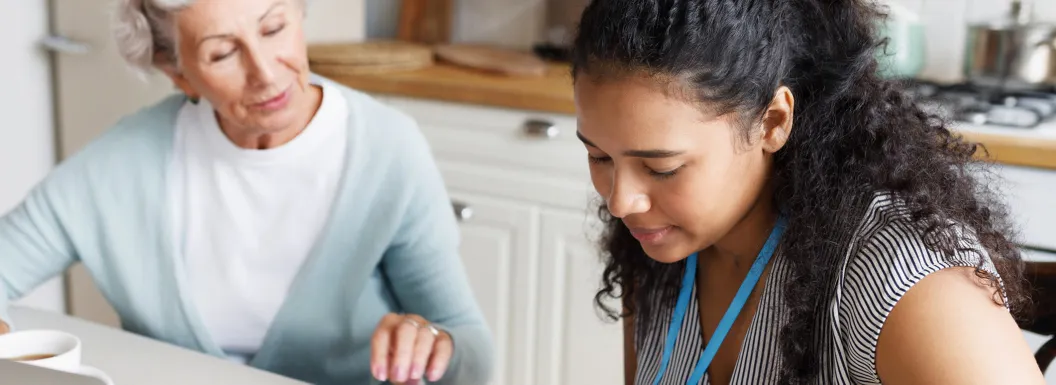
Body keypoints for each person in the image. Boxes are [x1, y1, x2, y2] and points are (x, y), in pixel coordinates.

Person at [0, 0, 493, 384]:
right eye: (222, 52)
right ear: (177, 73)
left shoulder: (388, 149)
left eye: (274, 27)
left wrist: (433, 347)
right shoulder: (117, 166)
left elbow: (473, 349)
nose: (266, 71)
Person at [571, 1, 1046, 384]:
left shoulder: (904, 281)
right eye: (600, 157)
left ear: (773, 122)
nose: (620, 201)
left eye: (662, 167)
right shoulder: (658, 252)